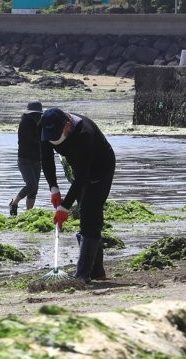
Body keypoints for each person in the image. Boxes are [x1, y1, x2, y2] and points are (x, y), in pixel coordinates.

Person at [40, 107, 116, 283]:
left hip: (100, 168)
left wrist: (64, 207)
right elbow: (46, 158)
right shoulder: (45, 126)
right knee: (86, 214)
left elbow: (83, 176)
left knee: (89, 212)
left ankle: (82, 274)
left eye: (57, 137)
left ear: (67, 126)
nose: (53, 142)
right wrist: (54, 189)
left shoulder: (84, 134)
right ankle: (98, 273)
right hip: (79, 167)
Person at [9, 101, 43, 216]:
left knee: (34, 189)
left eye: (39, 115)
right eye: (36, 114)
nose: (37, 116)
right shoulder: (25, 123)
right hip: (25, 159)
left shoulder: (40, 123)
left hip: (37, 159)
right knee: (31, 185)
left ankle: (29, 213)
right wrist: (43, 142)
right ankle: (14, 203)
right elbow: (30, 141)